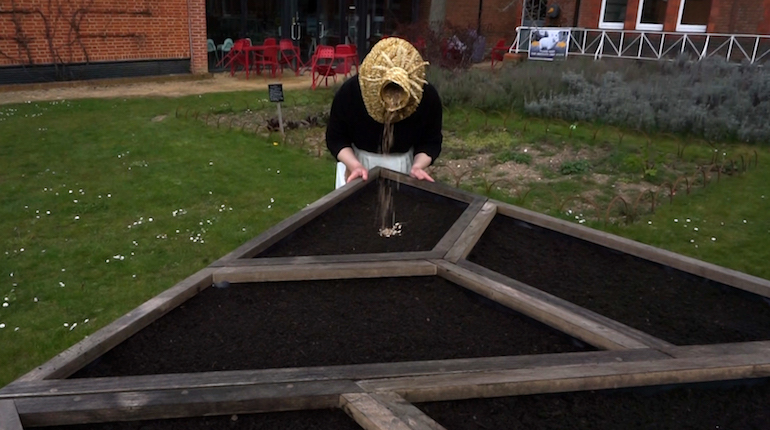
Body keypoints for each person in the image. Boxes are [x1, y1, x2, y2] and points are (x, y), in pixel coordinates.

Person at [326, 37, 443, 189]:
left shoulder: (426, 96)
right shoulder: (351, 92)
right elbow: (336, 138)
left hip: (404, 166)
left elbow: (430, 141)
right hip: (357, 164)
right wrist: (353, 164)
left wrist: (418, 166)